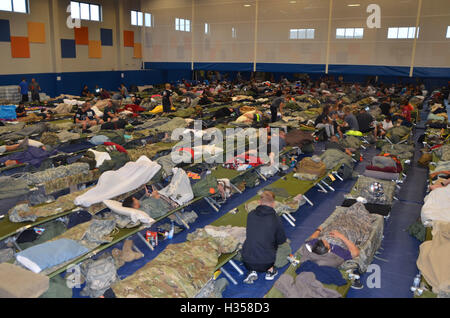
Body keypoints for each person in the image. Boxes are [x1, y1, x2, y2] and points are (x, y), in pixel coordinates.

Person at [242, 190, 287, 284]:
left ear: (259, 202)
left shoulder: (250, 215)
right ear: (273, 204)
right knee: (285, 246)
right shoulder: (275, 218)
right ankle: (270, 271)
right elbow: (281, 240)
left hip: (247, 260)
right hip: (267, 262)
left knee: (254, 241)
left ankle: (252, 270)